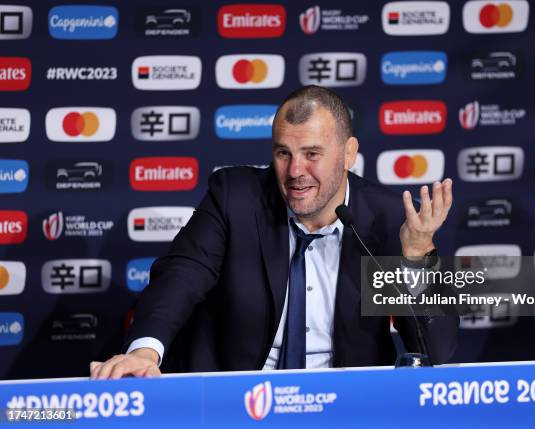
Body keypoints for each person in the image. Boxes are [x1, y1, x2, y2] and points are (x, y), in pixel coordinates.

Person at [90, 85, 457, 379]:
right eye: (283, 153)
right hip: (239, 404)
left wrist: (415, 259)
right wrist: (143, 351)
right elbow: (180, 276)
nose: (295, 170)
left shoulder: (387, 216)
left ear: (348, 154)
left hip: (346, 407)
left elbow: (438, 352)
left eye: (312, 154)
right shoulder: (235, 197)